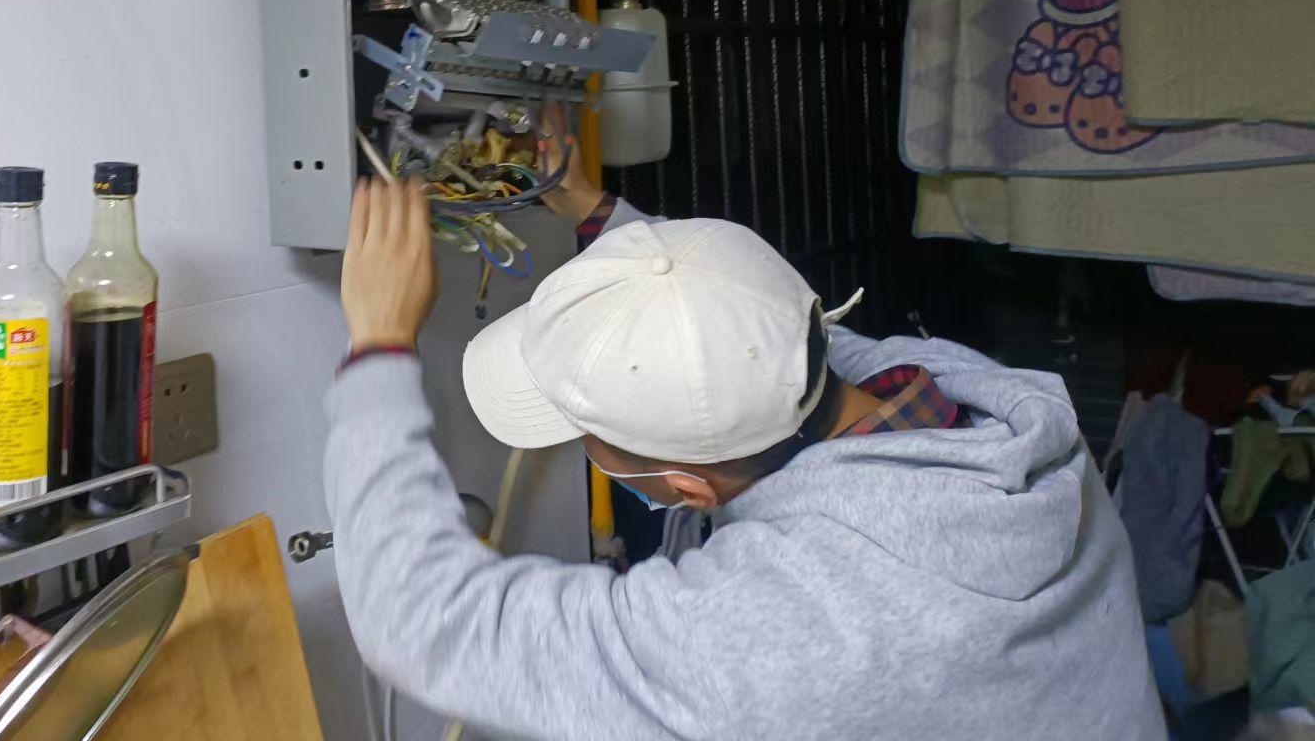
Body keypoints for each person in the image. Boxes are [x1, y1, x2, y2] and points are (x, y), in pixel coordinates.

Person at [325, 132, 1164, 741]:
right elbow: (760, 341)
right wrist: (603, 220)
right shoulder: (984, 407)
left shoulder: (769, 637)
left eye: (587, 434)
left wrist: (378, 348)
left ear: (687, 488)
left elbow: (422, 617)